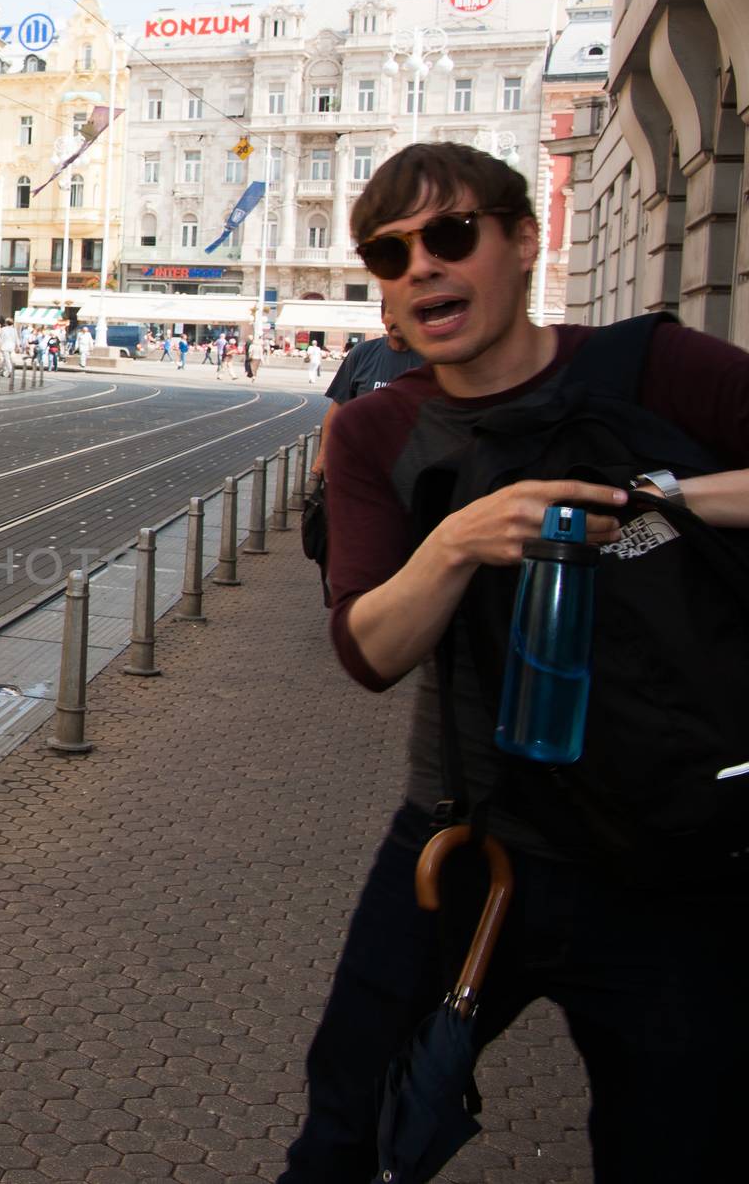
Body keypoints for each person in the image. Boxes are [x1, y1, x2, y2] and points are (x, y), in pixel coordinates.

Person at [281, 142, 749, 1182]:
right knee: (344, 1132)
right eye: (388, 255)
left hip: (671, 857)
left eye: (449, 236)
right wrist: (455, 541)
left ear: (524, 240)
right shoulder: (374, 432)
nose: (420, 270)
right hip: (467, 844)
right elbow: (368, 651)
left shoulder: (654, 369)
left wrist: (654, 497)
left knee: (674, 1149)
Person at [309, 301, 423, 479]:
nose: (398, 320)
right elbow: (338, 408)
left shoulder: (433, 360)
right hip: (361, 463)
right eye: (392, 312)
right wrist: (324, 455)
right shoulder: (362, 353)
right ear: (383, 317)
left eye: (405, 313)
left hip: (412, 468)